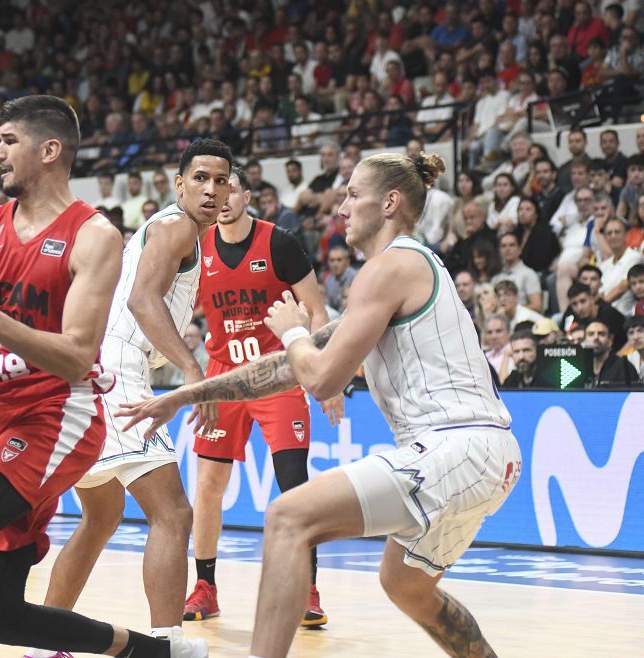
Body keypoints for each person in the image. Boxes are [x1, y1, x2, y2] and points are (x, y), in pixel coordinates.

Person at [119, 152, 521, 658]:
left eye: (354, 195)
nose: (341, 207)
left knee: (288, 515)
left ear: (390, 202)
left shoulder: (391, 266)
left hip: (457, 446)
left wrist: (291, 332)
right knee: (405, 585)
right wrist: (187, 393)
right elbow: (283, 370)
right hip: (491, 458)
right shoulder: (397, 271)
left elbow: (320, 374)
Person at [0, 96, 206, 658]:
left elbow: (75, 356)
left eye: (8, 140)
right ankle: (153, 653)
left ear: (49, 151)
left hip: (59, 413)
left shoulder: (95, 236)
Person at [28, 140, 232, 652]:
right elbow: (142, 299)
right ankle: (167, 645)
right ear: (179, 183)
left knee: (101, 517)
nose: (211, 188)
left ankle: (43, 644)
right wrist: (191, 368)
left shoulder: (170, 229)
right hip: (117, 369)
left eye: (221, 180)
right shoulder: (177, 226)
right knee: (174, 514)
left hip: (92, 368)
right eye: (201, 177)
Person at [180, 166, 340, 627]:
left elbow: (317, 310)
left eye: (231, 187)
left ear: (248, 195)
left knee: (293, 484)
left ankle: (307, 588)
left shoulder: (280, 243)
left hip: (279, 373)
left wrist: (323, 373)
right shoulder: (196, 246)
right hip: (223, 375)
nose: (222, 196)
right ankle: (205, 587)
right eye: (217, 188)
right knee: (208, 486)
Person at [584, 321, 638, 388]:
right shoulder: (578, 367)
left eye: (601, 334)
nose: (596, 337)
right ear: (584, 340)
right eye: (591, 334)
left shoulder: (624, 367)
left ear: (610, 340)